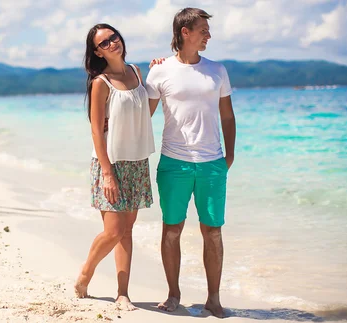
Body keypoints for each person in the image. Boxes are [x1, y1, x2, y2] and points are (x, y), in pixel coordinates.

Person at [145, 8, 236, 318]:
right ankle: (173, 295)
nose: (208, 35)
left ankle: (213, 298)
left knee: (213, 232)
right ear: (185, 32)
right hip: (174, 163)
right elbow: (144, 116)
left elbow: (227, 114)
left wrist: (230, 156)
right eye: (203, 30)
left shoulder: (218, 70)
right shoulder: (160, 71)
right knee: (172, 229)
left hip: (212, 164)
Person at [74, 23, 155, 311]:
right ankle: (86, 272)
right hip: (110, 163)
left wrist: (156, 72)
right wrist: (107, 173)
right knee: (113, 231)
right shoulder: (100, 82)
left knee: (127, 231)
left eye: (114, 37)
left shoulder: (136, 71)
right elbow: (96, 130)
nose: (112, 43)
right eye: (104, 43)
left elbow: (144, 112)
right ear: (96, 51)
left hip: (136, 161)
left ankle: (123, 294)